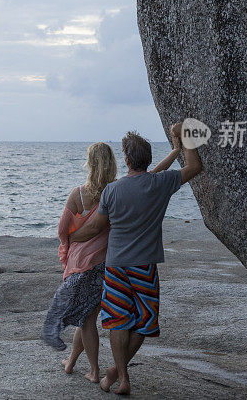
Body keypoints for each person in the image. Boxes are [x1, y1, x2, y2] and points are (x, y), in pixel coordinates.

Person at [69, 122, 202, 395]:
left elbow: (95, 227)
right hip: (145, 265)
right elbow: (194, 167)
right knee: (143, 321)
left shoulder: (112, 190)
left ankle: (120, 376)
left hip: (116, 265)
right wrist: (186, 134)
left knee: (118, 320)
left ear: (127, 160)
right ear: (147, 159)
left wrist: (70, 238)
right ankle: (118, 375)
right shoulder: (160, 183)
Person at [42, 137, 182, 383]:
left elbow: (63, 230)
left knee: (87, 320)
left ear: (90, 164)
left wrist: (71, 242)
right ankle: (73, 361)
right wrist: (175, 152)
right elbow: (151, 175)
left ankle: (94, 370)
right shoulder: (118, 187)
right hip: (108, 262)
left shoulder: (79, 194)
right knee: (93, 316)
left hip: (84, 264)